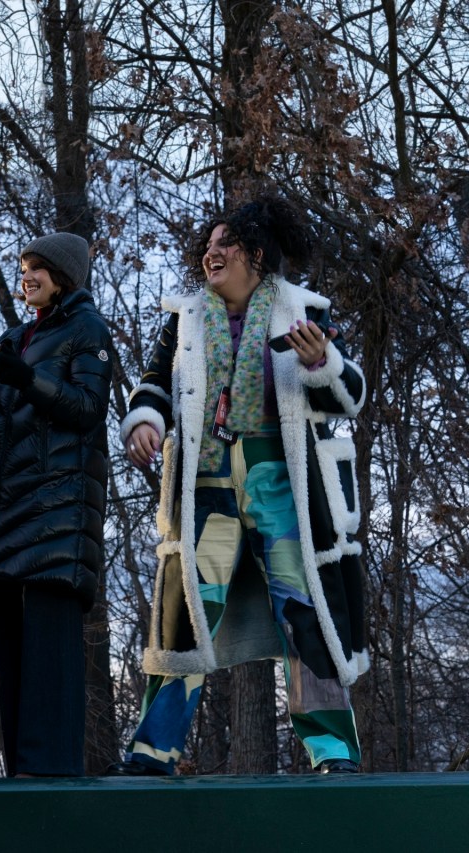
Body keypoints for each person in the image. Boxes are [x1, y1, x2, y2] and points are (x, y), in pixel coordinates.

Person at [108, 196, 368, 777]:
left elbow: (348, 395)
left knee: (305, 608)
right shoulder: (186, 320)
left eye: (226, 244)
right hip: (206, 485)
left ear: (257, 253)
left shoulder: (304, 310)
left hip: (279, 480)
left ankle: (333, 752)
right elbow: (153, 384)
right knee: (189, 613)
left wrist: (322, 363)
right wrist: (146, 421)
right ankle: (154, 751)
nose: (212, 253)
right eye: (208, 244)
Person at [0, 232, 113, 777]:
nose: (28, 276)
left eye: (38, 268)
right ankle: (20, 783)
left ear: (63, 275)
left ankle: (53, 791)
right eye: (23, 267)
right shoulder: (18, 336)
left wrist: (27, 378)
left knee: (50, 673)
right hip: (6, 520)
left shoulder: (88, 329)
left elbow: (87, 407)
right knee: (13, 672)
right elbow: (10, 414)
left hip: (56, 519)